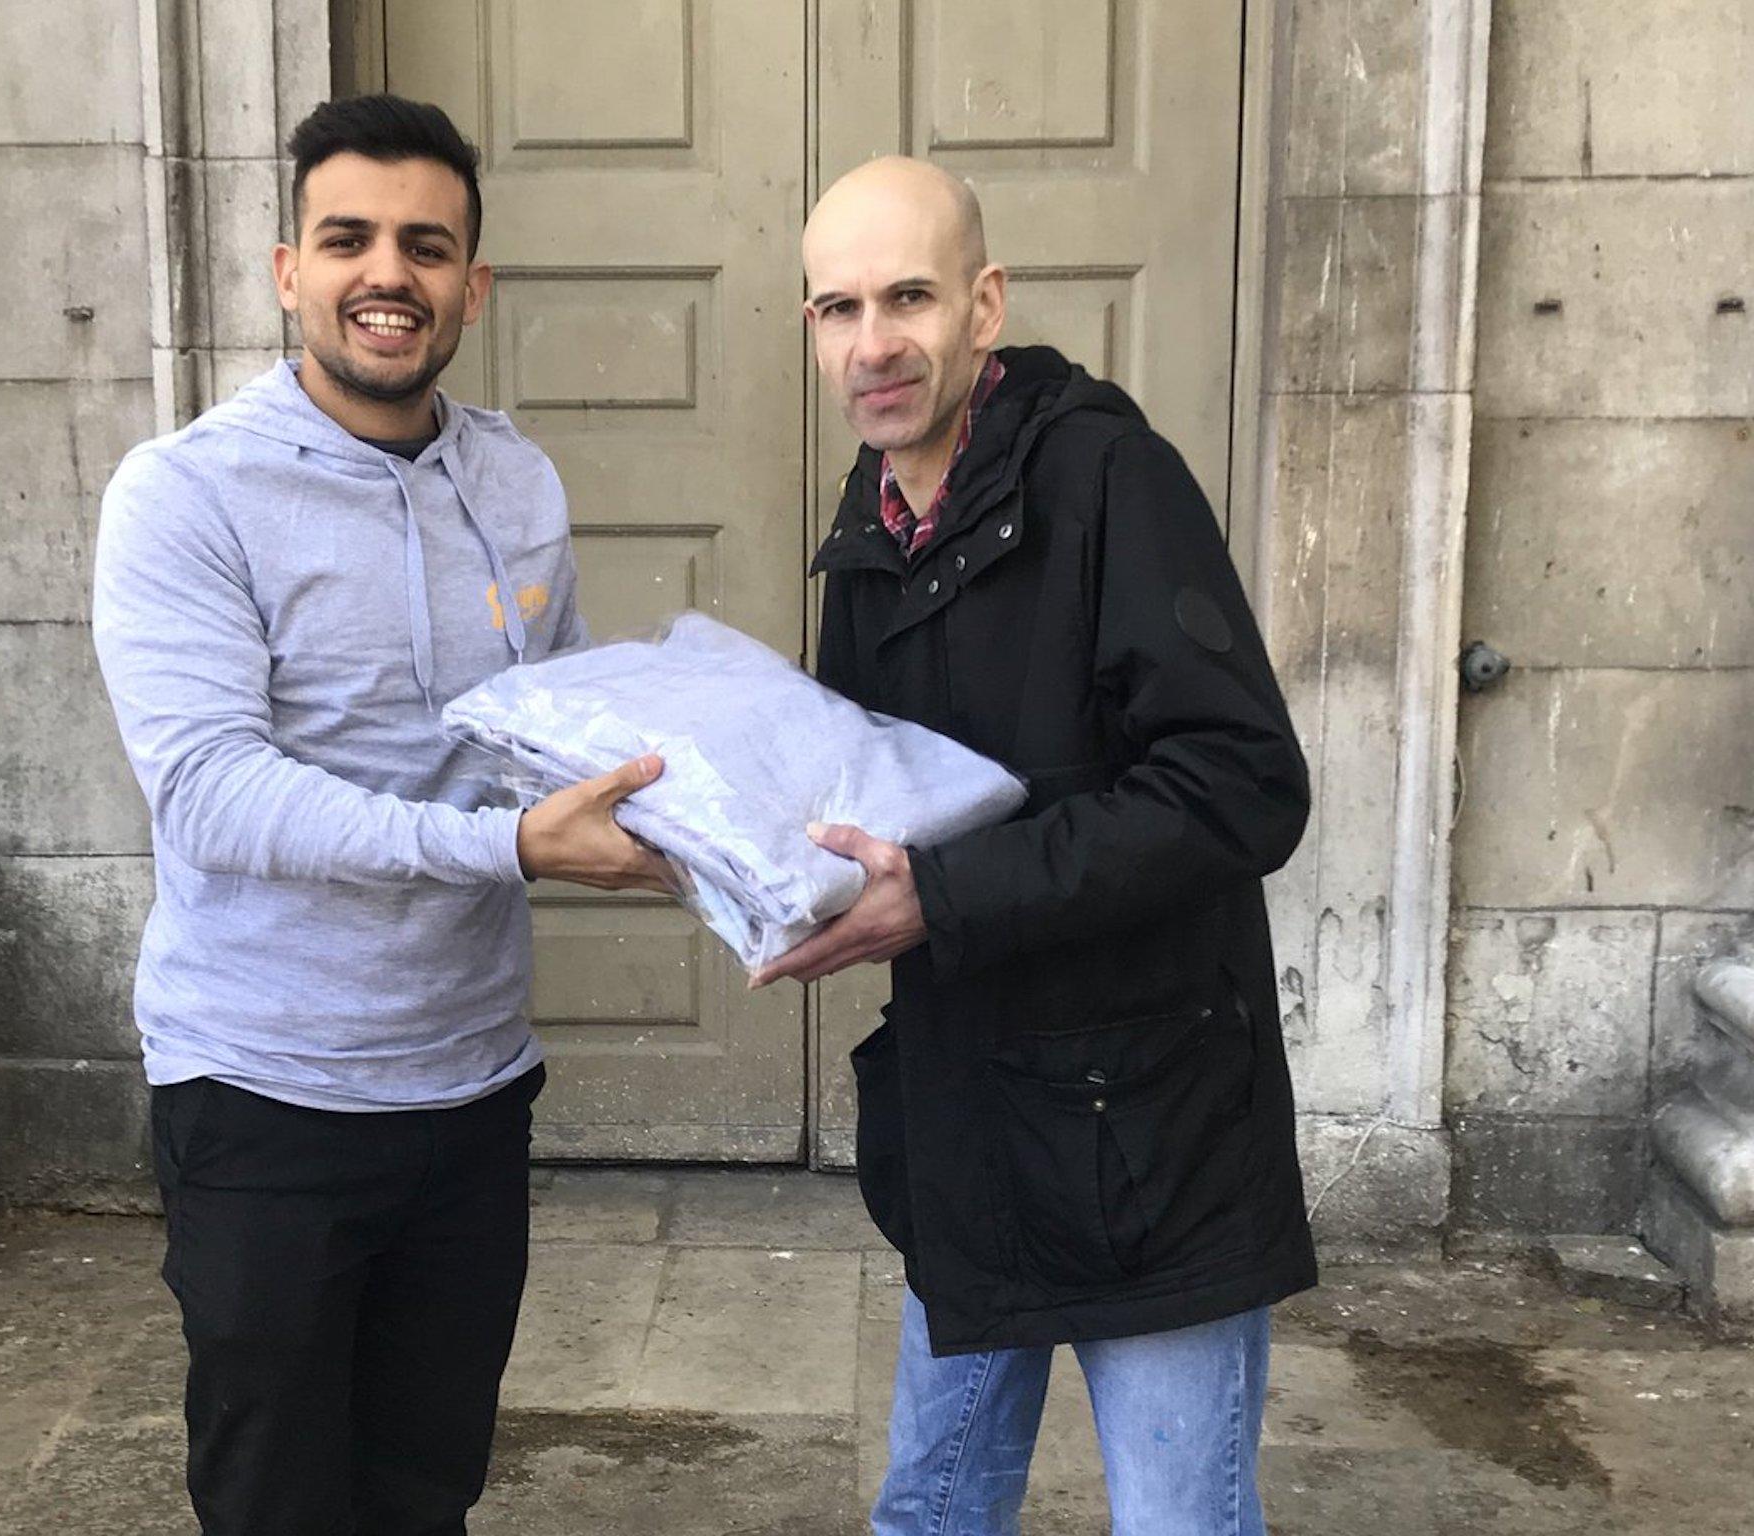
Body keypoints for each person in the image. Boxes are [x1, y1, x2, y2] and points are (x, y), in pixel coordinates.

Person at [92, 94, 668, 1536]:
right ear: (289, 267)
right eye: (347, 238)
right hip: (264, 1094)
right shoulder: (183, 496)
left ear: (473, 284)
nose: (385, 274)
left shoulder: (516, 481)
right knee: (279, 1496)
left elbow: (550, 734)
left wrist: (723, 816)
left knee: (426, 1488)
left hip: (470, 1087)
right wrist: (509, 848)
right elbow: (213, 792)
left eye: (425, 245)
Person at [756, 157, 1317, 1536]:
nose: (873, 342)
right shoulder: (871, 521)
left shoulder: (1114, 479)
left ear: (985, 304)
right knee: (930, 1513)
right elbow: (879, 802)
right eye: (838, 309)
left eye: (909, 297)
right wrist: (747, 856)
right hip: (970, 1121)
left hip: (1155, 1134)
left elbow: (1242, 785)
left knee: (1182, 1521)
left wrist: (936, 899)